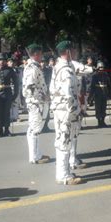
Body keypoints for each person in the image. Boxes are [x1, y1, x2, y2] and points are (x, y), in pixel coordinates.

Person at [50, 40, 83, 185]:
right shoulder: (66, 71)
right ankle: (64, 176)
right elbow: (69, 94)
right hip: (67, 111)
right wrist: (76, 111)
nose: (75, 52)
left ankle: (62, 171)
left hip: (60, 109)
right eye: (73, 49)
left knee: (61, 139)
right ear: (68, 52)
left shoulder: (59, 66)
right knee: (65, 140)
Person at [22, 44, 51, 164]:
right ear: (35, 54)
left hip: (37, 102)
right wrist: (43, 97)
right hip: (36, 103)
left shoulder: (34, 66)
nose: (41, 56)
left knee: (36, 129)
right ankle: (34, 157)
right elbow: (30, 88)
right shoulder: (32, 68)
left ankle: (37, 153)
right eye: (40, 53)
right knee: (34, 129)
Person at [90, 61, 110, 127]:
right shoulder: (95, 75)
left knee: (103, 107)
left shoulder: (106, 75)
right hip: (97, 93)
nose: (101, 69)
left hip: (104, 93)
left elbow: (108, 84)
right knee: (98, 108)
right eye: (100, 67)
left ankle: (103, 121)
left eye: (102, 67)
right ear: (98, 68)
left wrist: (110, 92)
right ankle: (99, 121)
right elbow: (92, 86)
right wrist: (91, 96)